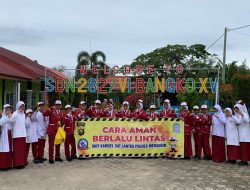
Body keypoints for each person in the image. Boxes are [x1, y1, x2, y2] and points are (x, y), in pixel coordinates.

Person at [10, 101, 27, 168]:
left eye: (23, 106)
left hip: (23, 135)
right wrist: (17, 112)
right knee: (17, 151)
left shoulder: (23, 114)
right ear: (18, 107)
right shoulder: (15, 113)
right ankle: (17, 164)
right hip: (17, 135)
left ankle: (22, 162)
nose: (22, 108)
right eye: (21, 106)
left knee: (22, 150)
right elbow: (11, 120)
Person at [0, 104, 13, 170]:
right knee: (4, 150)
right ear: (4, 110)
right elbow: (1, 123)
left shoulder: (10, 117)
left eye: (9, 110)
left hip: (8, 135)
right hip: (4, 136)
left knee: (9, 149)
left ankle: (8, 164)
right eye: (7, 110)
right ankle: (3, 166)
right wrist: (8, 117)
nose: (8, 111)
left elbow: (11, 126)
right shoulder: (3, 117)